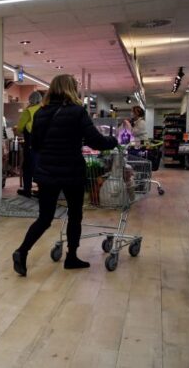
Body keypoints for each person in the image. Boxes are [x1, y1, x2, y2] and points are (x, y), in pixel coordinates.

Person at [12, 74, 118, 276]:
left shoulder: (41, 113)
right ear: (71, 89)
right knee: (74, 215)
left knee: (44, 218)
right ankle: (71, 257)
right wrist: (113, 141)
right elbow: (95, 141)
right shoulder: (78, 112)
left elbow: (35, 143)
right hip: (71, 171)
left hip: (46, 171)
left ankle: (22, 251)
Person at [16, 91, 42, 198]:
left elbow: (20, 128)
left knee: (28, 167)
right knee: (40, 166)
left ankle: (27, 190)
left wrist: (18, 130)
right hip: (42, 143)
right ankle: (41, 191)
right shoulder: (43, 109)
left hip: (31, 143)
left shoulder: (28, 111)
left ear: (30, 100)